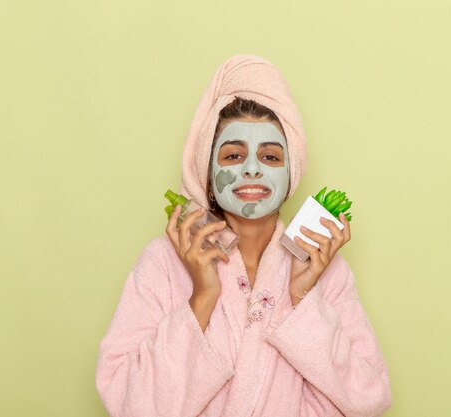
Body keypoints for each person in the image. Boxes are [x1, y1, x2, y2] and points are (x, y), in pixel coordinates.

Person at [95, 54, 392, 417]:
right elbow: (129, 405)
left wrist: (303, 299)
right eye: (234, 155)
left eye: (269, 157)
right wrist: (202, 298)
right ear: (206, 172)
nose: (251, 169)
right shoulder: (163, 261)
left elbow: (367, 399)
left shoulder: (321, 265)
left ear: (292, 172)